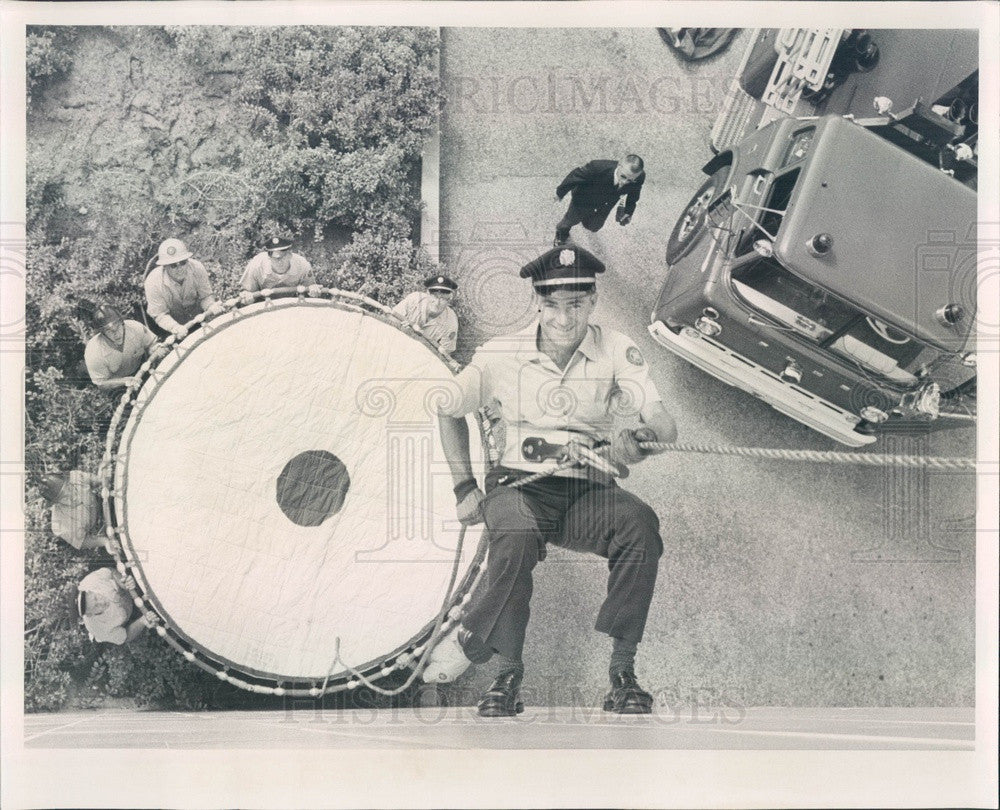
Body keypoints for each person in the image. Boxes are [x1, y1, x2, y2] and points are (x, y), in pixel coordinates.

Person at [426, 245, 677, 717]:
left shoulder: (616, 349)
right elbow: (445, 407)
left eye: (576, 304)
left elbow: (663, 423)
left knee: (639, 525)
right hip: (518, 485)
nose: (564, 318)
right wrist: (464, 487)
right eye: (553, 306)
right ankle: (506, 674)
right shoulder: (500, 354)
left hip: (587, 489)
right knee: (516, 538)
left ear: (593, 300)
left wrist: (640, 438)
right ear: (537, 304)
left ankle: (623, 673)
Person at [554, 155, 645, 246]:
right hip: (584, 199)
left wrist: (628, 211)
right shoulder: (597, 167)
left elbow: (634, 194)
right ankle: (561, 234)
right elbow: (576, 175)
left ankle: (586, 218)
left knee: (593, 227)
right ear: (619, 165)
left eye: (630, 180)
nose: (625, 182)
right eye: (623, 176)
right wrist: (560, 193)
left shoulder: (639, 177)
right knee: (571, 220)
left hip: (606, 203)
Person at [144, 238, 218, 338]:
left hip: (200, 319)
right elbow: (160, 315)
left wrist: (211, 306)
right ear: (164, 267)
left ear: (187, 260)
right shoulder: (153, 283)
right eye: (173, 265)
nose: (180, 269)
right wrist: (175, 328)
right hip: (173, 329)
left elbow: (206, 296)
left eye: (183, 262)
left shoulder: (197, 268)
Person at [84, 303, 157, 390]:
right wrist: (124, 381)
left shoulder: (135, 327)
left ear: (122, 323)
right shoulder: (94, 352)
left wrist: (154, 350)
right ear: (102, 334)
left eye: (118, 326)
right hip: (116, 385)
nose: (116, 334)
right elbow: (102, 384)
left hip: (143, 368)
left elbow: (153, 345)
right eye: (109, 331)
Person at [391, 274, 460, 357]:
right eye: (434, 296)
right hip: (395, 344)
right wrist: (402, 329)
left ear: (450, 299)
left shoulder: (450, 322)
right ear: (427, 294)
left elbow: (445, 354)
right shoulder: (414, 299)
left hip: (420, 356)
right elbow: (390, 320)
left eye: (443, 298)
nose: (437, 302)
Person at [74, 567, 147, 645]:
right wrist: (143, 620)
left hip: (128, 586)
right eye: (96, 606)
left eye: (96, 598)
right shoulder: (97, 628)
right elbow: (126, 636)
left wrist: (124, 583)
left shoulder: (91, 581)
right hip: (133, 613)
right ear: (89, 614)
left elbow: (110, 572)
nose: (101, 602)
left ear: (90, 591)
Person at [239, 235, 319, 302]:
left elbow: (310, 290)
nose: (280, 262)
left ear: (290, 255)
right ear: (269, 257)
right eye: (276, 259)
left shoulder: (302, 264)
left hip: (292, 303)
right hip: (263, 305)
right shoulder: (257, 265)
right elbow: (248, 292)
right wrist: (247, 297)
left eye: (283, 257)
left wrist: (313, 291)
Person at [41, 471, 106, 551]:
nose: (70, 495)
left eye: (68, 487)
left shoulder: (75, 477)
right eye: (63, 497)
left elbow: (98, 481)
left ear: (67, 480)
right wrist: (104, 541)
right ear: (55, 502)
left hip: (104, 500)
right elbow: (82, 542)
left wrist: (103, 480)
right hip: (100, 528)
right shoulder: (60, 524)